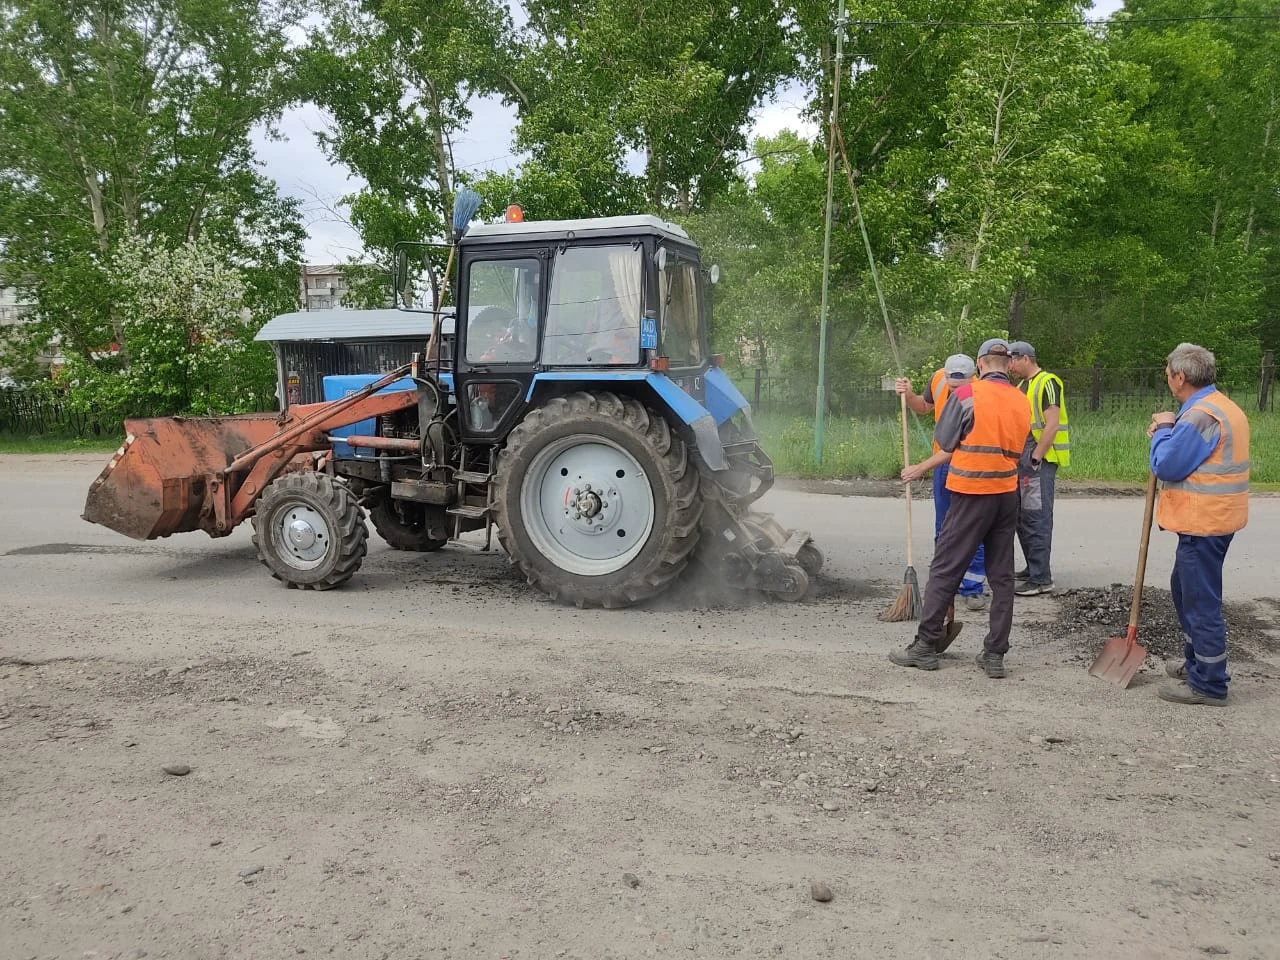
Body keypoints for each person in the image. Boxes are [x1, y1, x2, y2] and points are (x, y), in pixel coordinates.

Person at [889, 339, 1032, 679]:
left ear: (980, 364)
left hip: (971, 492)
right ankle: (995, 653)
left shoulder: (967, 395)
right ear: (1008, 365)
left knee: (945, 568)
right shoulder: (1022, 400)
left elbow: (946, 439)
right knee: (1001, 576)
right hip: (1007, 494)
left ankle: (925, 646)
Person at [1148, 343, 1249, 706]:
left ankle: (1209, 683)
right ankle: (1197, 664)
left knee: (1199, 602)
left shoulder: (1201, 415)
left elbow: (1168, 465)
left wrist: (1162, 430)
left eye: (1168, 373)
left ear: (1181, 376)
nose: (1167, 378)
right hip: (1216, 518)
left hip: (1203, 522)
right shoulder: (1218, 405)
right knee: (1184, 590)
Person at [894, 354, 988, 611]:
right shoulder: (937, 379)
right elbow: (924, 407)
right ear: (945, 376)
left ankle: (972, 587)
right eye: (952, 386)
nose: (956, 391)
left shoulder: (983, 393)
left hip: (971, 464)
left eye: (961, 386)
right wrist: (908, 394)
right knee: (944, 526)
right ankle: (945, 583)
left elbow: (957, 444)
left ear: (973, 377)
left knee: (972, 526)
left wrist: (918, 469)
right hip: (943, 464)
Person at [1007, 341, 1069, 596]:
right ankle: (1034, 568)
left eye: (1011, 360)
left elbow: (1051, 424)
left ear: (1025, 358)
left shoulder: (1048, 382)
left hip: (1038, 462)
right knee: (1023, 517)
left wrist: (1036, 456)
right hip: (1026, 460)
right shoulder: (1024, 386)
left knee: (1036, 517)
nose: (1009, 366)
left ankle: (1041, 578)